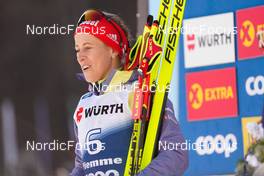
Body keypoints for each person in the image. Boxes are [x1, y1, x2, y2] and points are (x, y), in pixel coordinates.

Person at [70, 9, 188, 176]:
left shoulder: (140, 90)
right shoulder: (83, 105)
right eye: (77, 49)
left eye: (87, 47)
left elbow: (176, 153)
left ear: (113, 49)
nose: (80, 57)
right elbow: (82, 167)